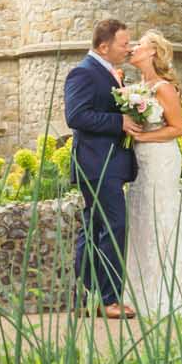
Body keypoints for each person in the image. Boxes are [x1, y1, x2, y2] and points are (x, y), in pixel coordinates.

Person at [119, 29, 182, 316]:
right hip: (140, 160)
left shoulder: (164, 87)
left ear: (153, 51)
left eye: (138, 44)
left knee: (161, 215)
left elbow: (178, 129)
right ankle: (139, 292)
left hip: (161, 158)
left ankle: (171, 293)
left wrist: (143, 138)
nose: (132, 48)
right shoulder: (136, 86)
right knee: (140, 217)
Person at [62, 16, 137, 319]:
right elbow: (76, 116)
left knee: (93, 230)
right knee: (114, 226)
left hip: (107, 163)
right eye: (124, 44)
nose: (128, 49)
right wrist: (120, 121)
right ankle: (109, 299)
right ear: (104, 46)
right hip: (97, 163)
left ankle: (87, 296)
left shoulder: (106, 72)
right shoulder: (83, 73)